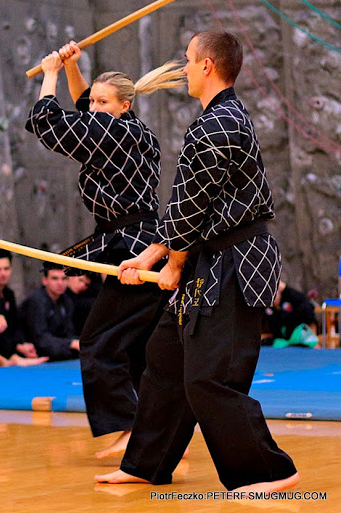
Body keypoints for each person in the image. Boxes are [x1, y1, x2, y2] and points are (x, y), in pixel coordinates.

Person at [95, 30, 299, 494]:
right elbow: (188, 203)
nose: (182, 67)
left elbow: (191, 210)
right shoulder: (216, 120)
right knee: (164, 358)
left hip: (234, 262)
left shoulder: (217, 126)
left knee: (211, 376)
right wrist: (152, 252)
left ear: (207, 65)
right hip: (211, 258)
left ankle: (272, 472)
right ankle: (147, 462)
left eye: (188, 60)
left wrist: (171, 265)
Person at [25, 40, 185, 457]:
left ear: (123, 106)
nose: (93, 107)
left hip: (133, 248)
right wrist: (76, 68)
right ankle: (162, 434)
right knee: (136, 347)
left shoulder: (114, 130)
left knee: (99, 342)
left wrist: (50, 75)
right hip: (141, 241)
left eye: (103, 101)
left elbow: (52, 124)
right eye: (93, 101)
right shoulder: (131, 131)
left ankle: (129, 427)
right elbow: (83, 111)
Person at [18, 262, 79, 361]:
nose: (60, 283)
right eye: (55, 278)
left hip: (56, 350)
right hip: (31, 353)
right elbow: (40, 339)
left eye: (64, 279)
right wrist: (70, 344)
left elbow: (69, 332)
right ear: (45, 280)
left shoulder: (66, 301)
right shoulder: (36, 300)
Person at [261, 280, 318, 348]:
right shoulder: (268, 309)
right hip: (281, 340)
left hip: (297, 336)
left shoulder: (290, 299)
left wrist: (286, 289)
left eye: (274, 293)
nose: (273, 296)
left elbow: (305, 304)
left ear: (279, 292)